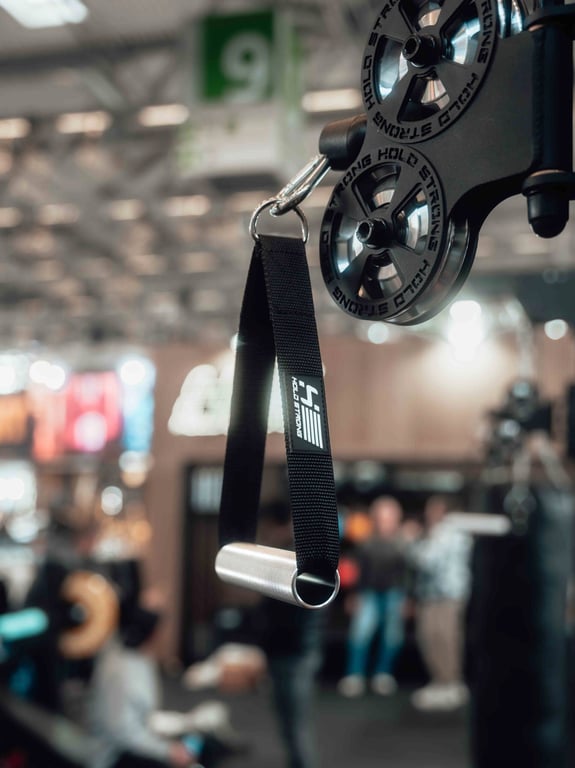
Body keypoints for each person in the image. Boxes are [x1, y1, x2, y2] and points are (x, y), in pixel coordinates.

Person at [86, 597, 201, 768]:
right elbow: (123, 732)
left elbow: (143, 716)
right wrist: (167, 751)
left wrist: (185, 723)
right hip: (115, 756)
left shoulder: (141, 660)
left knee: (197, 741)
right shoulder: (120, 671)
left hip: (135, 741)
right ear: (152, 633)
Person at [337, 495, 408, 698]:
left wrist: (408, 598)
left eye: (389, 518)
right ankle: (354, 675)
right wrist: (354, 595)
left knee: (392, 637)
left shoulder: (403, 542)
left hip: (394, 593)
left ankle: (383, 674)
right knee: (360, 634)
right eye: (381, 518)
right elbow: (359, 570)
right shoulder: (366, 541)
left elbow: (408, 573)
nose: (385, 522)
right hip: (368, 593)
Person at [407, 495, 472, 711]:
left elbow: (427, 560)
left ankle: (451, 684)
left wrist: (411, 540)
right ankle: (441, 682)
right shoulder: (437, 533)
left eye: (433, 509)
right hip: (431, 595)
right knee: (429, 637)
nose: (429, 513)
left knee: (445, 639)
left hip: (447, 596)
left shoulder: (449, 532)